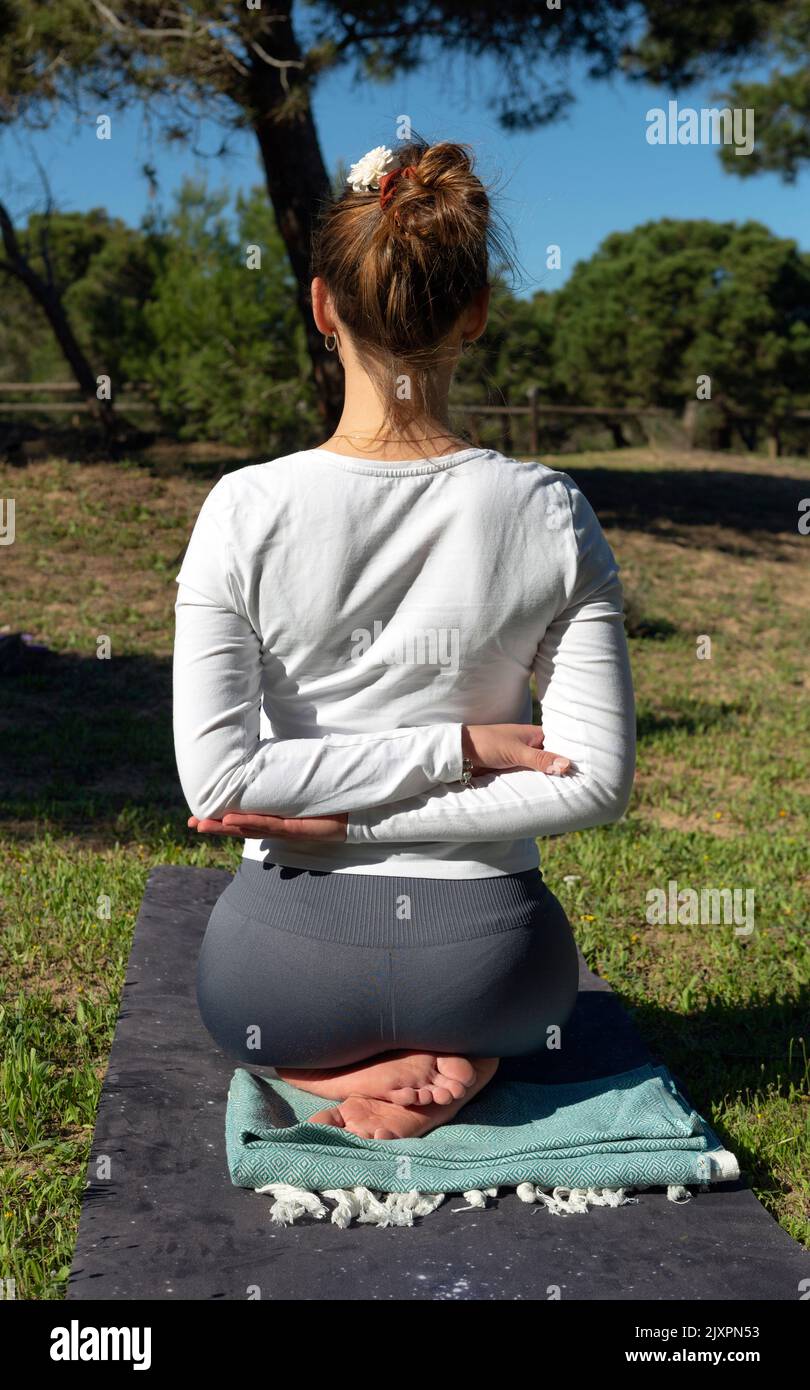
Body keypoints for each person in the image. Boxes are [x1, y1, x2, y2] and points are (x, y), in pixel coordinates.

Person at [172, 139, 636, 1142]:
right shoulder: (552, 511)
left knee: (244, 1015)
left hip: (282, 970)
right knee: (519, 1014)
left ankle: (334, 1065)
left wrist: (344, 829)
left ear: (322, 306)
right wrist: (458, 749)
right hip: (502, 972)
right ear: (475, 312)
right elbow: (595, 783)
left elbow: (219, 783)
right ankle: (456, 1057)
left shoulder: (242, 510)